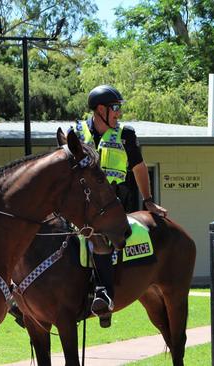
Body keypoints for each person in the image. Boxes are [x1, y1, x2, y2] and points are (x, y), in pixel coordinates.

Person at [69, 84, 167, 327]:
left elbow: (139, 168)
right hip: (77, 206)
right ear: (100, 110)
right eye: (115, 108)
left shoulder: (126, 135)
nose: (118, 113)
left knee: (100, 238)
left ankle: (104, 294)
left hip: (110, 207)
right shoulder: (76, 133)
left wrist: (148, 200)